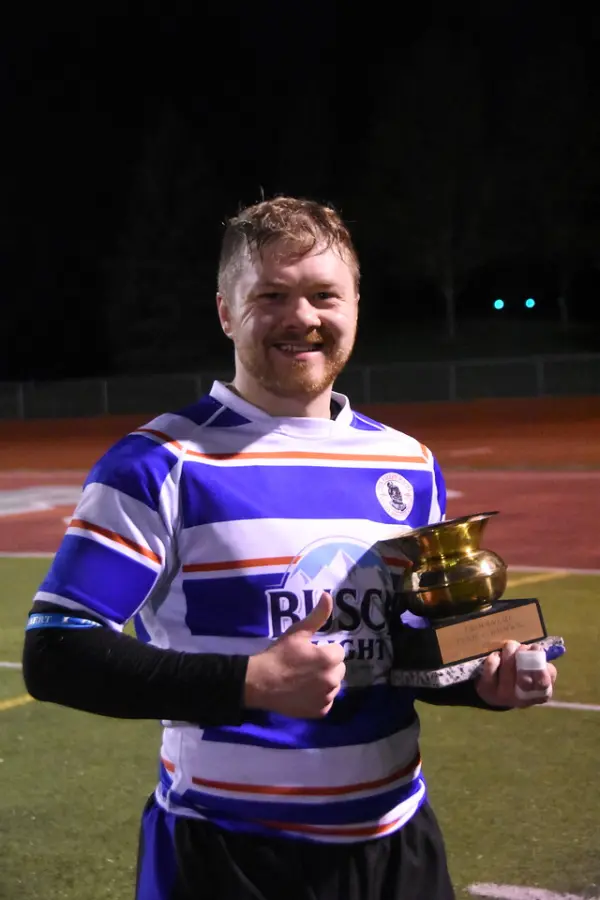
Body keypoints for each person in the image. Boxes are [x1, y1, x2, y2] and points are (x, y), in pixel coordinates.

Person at [22, 196, 558, 900]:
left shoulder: (407, 462)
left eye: (323, 295)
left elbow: (394, 651)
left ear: (355, 305)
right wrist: (248, 683)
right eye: (271, 295)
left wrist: (482, 682)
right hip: (226, 855)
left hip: (397, 845)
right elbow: (56, 651)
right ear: (226, 312)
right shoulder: (161, 463)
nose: (301, 317)